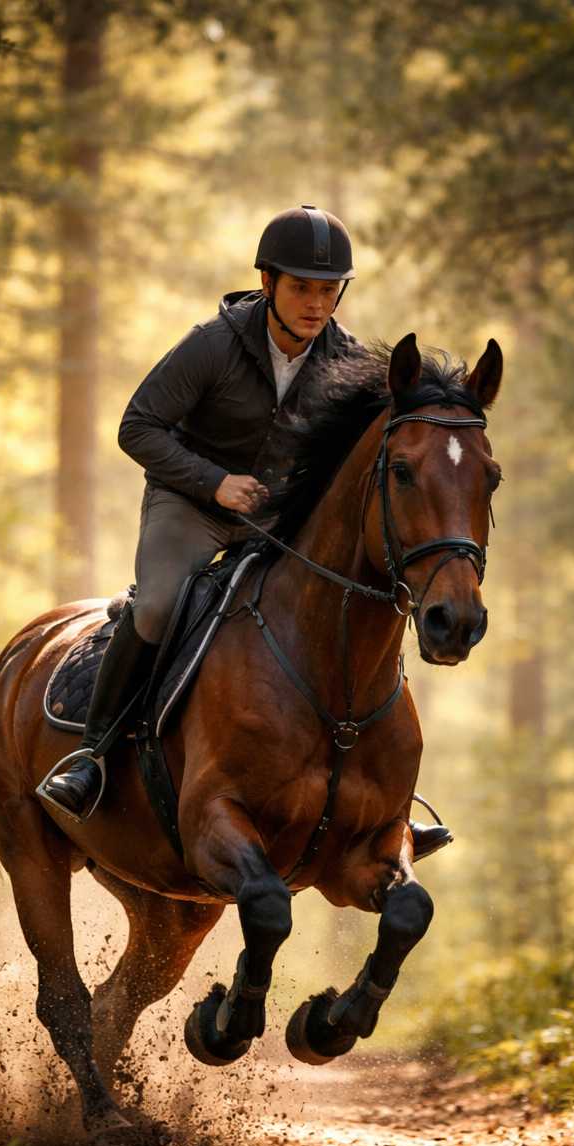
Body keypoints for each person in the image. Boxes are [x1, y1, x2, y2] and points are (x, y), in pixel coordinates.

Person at [39, 203, 358, 820]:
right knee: (157, 607)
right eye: (301, 288)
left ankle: (378, 790)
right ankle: (90, 756)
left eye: (328, 290)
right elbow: (138, 427)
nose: (316, 304)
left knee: (345, 614)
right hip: (189, 504)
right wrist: (214, 483)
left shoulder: (344, 363)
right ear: (267, 284)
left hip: (276, 525)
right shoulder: (212, 345)